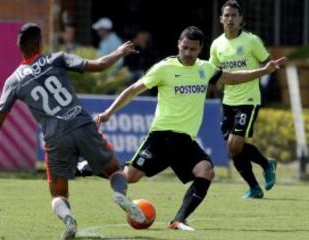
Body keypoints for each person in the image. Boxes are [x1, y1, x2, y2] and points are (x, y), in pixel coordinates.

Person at [0, 23, 145, 240]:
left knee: (58, 194)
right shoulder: (56, 58)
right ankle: (118, 195)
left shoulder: (13, 82)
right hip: (82, 125)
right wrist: (119, 52)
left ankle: (68, 218)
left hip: (55, 139)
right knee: (115, 171)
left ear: (19, 47)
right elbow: (98, 65)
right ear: (40, 43)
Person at [96, 26, 285, 231]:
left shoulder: (205, 69)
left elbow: (233, 78)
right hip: (162, 136)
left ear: (200, 49)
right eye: (184, 47)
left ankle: (178, 220)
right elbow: (133, 90)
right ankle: (84, 167)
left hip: (186, 140)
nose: (187, 53)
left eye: (193, 49)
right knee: (128, 178)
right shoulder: (164, 68)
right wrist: (108, 112)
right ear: (179, 43)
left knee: (205, 171)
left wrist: (264, 71)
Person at [209, 0, 277, 199]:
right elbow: (214, 74)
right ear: (221, 19)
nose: (230, 19)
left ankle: (265, 164)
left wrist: (265, 75)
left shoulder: (251, 41)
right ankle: (254, 187)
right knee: (233, 148)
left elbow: (268, 64)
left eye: (234, 16)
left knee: (235, 145)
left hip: (248, 99)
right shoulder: (217, 45)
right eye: (227, 15)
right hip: (228, 101)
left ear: (241, 20)